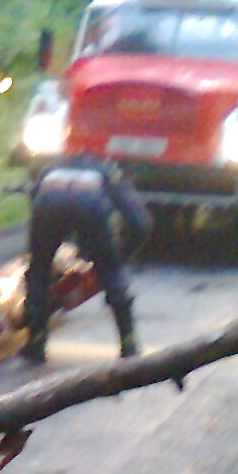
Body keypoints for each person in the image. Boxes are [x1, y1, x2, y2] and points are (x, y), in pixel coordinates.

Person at [23, 152, 152, 363]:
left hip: (48, 201)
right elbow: (139, 222)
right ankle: (128, 344)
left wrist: (47, 247)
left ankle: (36, 342)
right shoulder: (107, 172)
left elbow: (36, 202)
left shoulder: (51, 169)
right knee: (111, 272)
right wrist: (121, 255)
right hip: (90, 204)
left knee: (38, 270)